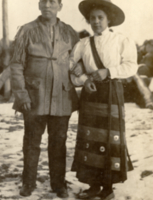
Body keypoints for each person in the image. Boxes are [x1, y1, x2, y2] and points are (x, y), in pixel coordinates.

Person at [9, 0, 79, 198]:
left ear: (60, 5)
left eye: (52, 1)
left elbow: (78, 60)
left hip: (62, 96)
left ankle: (59, 184)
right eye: (43, 1)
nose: (47, 5)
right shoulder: (27, 30)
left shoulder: (69, 31)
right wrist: (21, 94)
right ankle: (28, 183)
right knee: (31, 142)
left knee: (59, 141)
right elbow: (16, 64)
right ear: (39, 5)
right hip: (34, 97)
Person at [69, 0, 138, 200]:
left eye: (100, 18)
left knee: (109, 136)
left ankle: (107, 188)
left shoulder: (121, 40)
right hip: (91, 94)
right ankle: (93, 186)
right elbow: (72, 66)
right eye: (93, 18)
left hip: (112, 92)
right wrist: (84, 81)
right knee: (90, 138)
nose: (96, 22)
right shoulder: (83, 44)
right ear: (88, 21)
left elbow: (131, 66)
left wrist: (108, 71)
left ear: (109, 20)